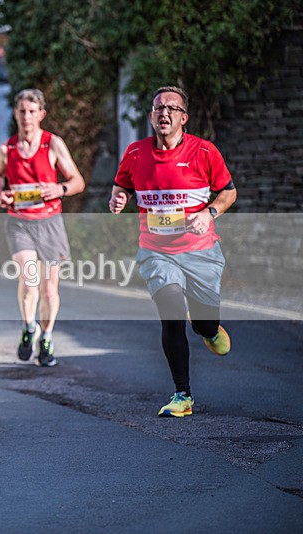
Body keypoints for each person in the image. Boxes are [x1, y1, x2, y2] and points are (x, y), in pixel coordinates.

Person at [109, 85, 237, 417]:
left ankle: (207, 329)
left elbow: (228, 192)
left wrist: (207, 213)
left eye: (171, 108)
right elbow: (121, 185)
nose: (163, 113)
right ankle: (183, 395)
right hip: (155, 250)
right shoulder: (136, 153)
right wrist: (118, 198)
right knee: (171, 312)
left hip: (200, 250)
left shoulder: (204, 152)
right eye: (157, 108)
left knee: (205, 324)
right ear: (151, 116)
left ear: (184, 117)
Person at [0, 89, 85, 367]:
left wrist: (59, 188)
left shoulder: (52, 144)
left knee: (49, 289)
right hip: (20, 222)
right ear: (16, 114)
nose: (26, 117)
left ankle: (46, 335)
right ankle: (29, 327)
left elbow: (77, 181)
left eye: (32, 111)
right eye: (22, 111)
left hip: (50, 222)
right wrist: (0, 194)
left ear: (41, 114)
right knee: (29, 280)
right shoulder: (6, 149)